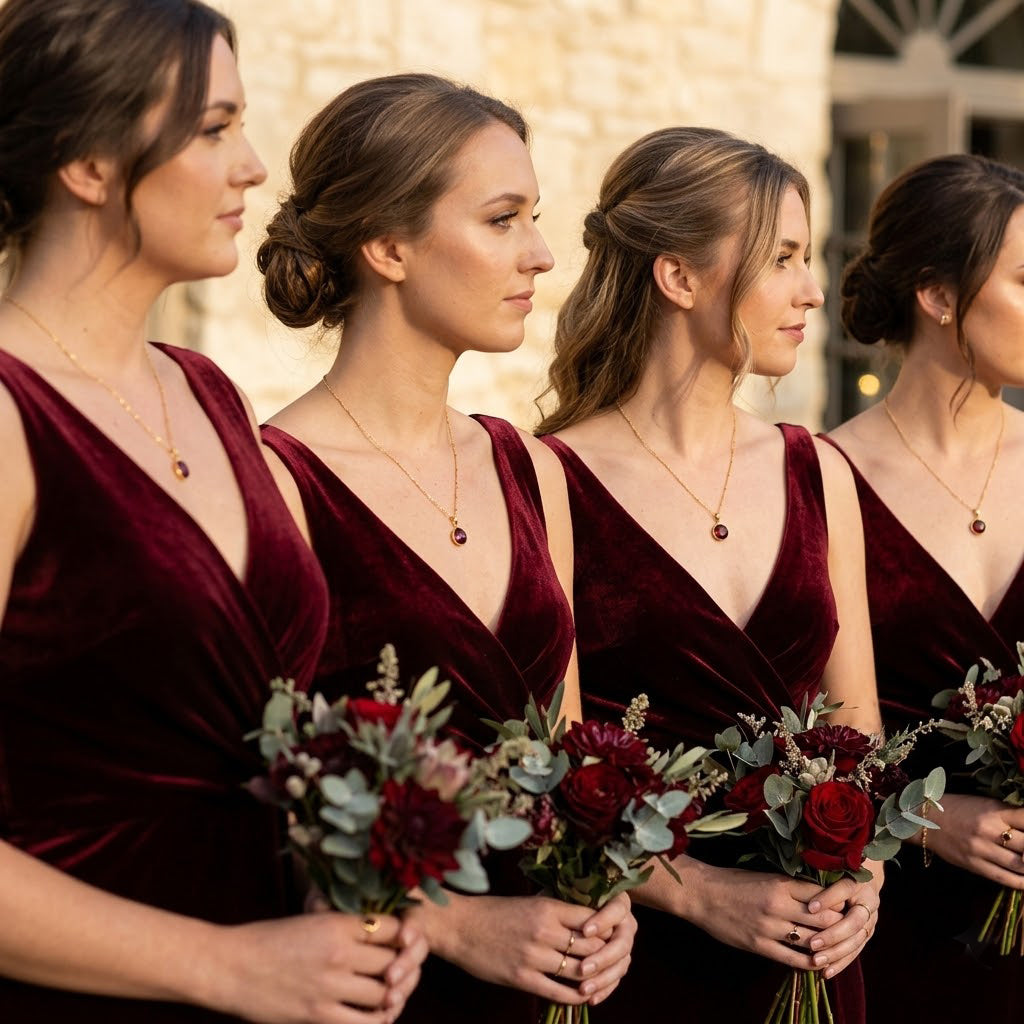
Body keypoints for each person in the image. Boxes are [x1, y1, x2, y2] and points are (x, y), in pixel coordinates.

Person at [0, 2, 425, 1021]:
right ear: (88, 165)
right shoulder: (9, 415)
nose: (253, 166)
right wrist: (228, 966)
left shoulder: (211, 393)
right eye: (214, 127)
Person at [257, 73, 636, 1024]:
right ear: (388, 244)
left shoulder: (528, 468)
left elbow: (573, 757)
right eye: (503, 219)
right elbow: (265, 801)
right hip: (383, 983)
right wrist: (461, 928)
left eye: (534, 218)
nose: (543, 255)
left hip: (558, 981)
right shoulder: (274, 480)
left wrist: (609, 891)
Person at [536, 126, 882, 1022]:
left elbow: (860, 731)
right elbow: (552, 761)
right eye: (783, 258)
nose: (812, 290)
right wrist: (696, 894)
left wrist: (865, 879)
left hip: (811, 955)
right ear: (678, 277)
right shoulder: (550, 481)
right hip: (638, 963)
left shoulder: (819, 469)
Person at [825, 153, 1024, 1019]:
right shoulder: (820, 477)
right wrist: (929, 820)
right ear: (938, 296)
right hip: (892, 927)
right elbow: (801, 722)